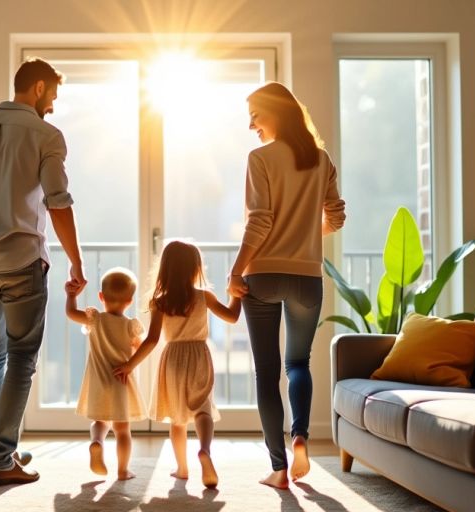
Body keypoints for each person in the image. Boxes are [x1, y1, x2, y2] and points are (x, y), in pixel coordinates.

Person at [0, 57, 87, 487]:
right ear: (39, 87)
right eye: (54, 96)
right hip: (23, 263)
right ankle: (2, 457)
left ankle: (2, 447)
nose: (55, 106)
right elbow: (57, 202)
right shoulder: (46, 135)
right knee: (22, 357)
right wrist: (77, 261)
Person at [226, 81, 346, 490]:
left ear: (275, 112)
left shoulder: (260, 158)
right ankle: (300, 437)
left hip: (263, 274)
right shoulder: (321, 159)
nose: (250, 126)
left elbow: (259, 221)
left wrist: (236, 270)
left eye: (255, 115)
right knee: (298, 364)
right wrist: (306, 238)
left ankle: (279, 468)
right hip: (307, 277)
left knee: (266, 372)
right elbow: (337, 215)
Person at [114, 241, 241, 490]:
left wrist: (130, 364)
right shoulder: (204, 297)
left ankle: (182, 468)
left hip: (172, 360)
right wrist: (236, 294)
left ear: (166, 269)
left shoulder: (160, 301)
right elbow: (232, 317)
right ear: (195, 269)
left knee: (178, 418)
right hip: (199, 356)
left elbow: (151, 341)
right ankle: (204, 450)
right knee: (203, 409)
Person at [65, 267, 146, 481]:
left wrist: (71, 296)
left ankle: (97, 442)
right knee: (122, 429)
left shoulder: (95, 319)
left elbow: (71, 313)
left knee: (100, 421)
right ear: (129, 301)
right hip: (120, 381)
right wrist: (130, 359)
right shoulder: (130, 326)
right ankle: (122, 470)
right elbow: (139, 348)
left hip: (98, 382)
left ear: (101, 297)